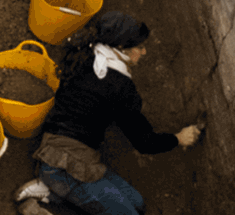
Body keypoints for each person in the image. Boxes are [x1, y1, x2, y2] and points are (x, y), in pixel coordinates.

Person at [14, 12, 201, 215]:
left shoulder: (85, 56)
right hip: (68, 167)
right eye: (139, 47)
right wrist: (178, 139)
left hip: (56, 152)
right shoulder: (120, 86)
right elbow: (144, 142)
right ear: (121, 49)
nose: (144, 52)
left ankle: (52, 191)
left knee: (137, 203)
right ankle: (44, 201)